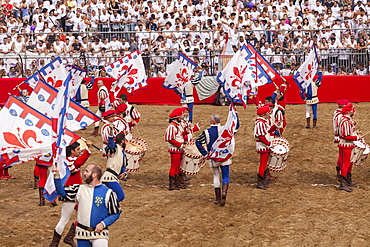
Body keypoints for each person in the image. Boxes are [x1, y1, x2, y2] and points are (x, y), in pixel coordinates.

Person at [53, 164, 121, 247]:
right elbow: (62, 193)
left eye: (87, 171)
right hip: (82, 235)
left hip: (100, 234)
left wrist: (103, 223)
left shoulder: (109, 193)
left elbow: (116, 213)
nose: (84, 174)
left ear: (94, 175)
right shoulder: (79, 189)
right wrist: (56, 176)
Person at [49, 140, 92, 247]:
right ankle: (56, 242)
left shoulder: (65, 160)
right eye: (77, 150)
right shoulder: (67, 161)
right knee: (64, 220)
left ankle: (66, 238)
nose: (79, 151)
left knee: (84, 215)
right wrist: (87, 150)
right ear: (71, 151)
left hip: (74, 192)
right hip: (71, 193)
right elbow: (76, 165)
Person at [195, 114, 234, 206]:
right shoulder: (225, 130)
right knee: (225, 176)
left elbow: (198, 142)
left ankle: (218, 198)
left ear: (212, 121)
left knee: (216, 176)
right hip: (224, 156)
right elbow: (236, 127)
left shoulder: (206, 132)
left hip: (213, 156)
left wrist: (205, 153)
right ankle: (224, 192)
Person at [254, 106, 278, 190]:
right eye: (268, 112)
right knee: (263, 164)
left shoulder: (263, 122)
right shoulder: (260, 123)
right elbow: (261, 136)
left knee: (265, 163)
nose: (269, 113)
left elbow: (268, 131)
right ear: (264, 114)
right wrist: (269, 144)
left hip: (265, 145)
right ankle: (260, 182)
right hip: (263, 146)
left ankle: (264, 179)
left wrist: (275, 126)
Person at [164, 108, 189, 190]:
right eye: (181, 115)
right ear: (177, 117)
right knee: (174, 167)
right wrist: (180, 145)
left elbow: (180, 134)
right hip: (175, 149)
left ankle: (176, 183)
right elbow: (170, 139)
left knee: (178, 167)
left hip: (178, 148)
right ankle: (172, 184)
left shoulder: (176, 125)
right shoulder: (172, 126)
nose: (182, 116)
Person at [338, 103, 360, 192]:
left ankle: (347, 180)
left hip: (347, 145)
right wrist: (356, 138)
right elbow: (345, 136)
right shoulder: (345, 121)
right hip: (346, 145)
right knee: (346, 163)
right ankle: (343, 183)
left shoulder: (345, 120)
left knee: (349, 163)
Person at [101, 129, 127, 202]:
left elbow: (123, 165)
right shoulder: (115, 148)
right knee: (120, 196)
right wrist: (111, 133)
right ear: (123, 141)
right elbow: (111, 145)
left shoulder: (122, 152)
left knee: (109, 197)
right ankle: (108, 208)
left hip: (113, 177)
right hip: (109, 177)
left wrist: (124, 172)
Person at [333, 99, 350, 181]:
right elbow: (342, 127)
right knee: (342, 157)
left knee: (341, 156)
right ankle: (340, 174)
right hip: (342, 136)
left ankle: (339, 173)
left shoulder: (336, 113)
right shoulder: (341, 116)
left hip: (338, 135)